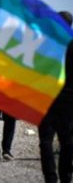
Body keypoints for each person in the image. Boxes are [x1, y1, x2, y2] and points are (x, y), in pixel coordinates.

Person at [38, 11, 73, 183]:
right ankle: (66, 177)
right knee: (67, 141)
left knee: (46, 140)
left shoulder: (45, 44)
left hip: (46, 97)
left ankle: (50, 177)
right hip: (69, 100)